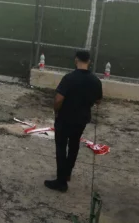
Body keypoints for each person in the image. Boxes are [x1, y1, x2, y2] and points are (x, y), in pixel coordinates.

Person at [44, 50, 102, 192]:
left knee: (61, 147)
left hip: (65, 118)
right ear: (89, 61)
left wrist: (56, 110)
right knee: (74, 145)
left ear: (76, 60)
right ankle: (67, 173)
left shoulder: (69, 78)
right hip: (81, 119)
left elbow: (59, 99)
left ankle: (61, 181)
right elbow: (99, 100)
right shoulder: (95, 80)